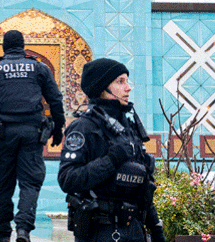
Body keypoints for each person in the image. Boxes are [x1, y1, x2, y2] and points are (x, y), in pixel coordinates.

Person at [0, 30, 65, 242]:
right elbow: (55, 100)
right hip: (32, 132)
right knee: (30, 182)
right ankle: (23, 230)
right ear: (22, 47)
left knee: (3, 184)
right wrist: (58, 128)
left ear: (4, 47)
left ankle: (3, 234)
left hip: (4, 133)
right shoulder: (39, 67)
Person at [57, 58, 165, 242]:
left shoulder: (129, 128)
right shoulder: (84, 128)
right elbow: (68, 179)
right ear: (102, 87)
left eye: (127, 81)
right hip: (101, 230)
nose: (128, 87)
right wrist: (111, 160)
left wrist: (155, 227)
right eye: (120, 81)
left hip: (135, 230)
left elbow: (144, 186)